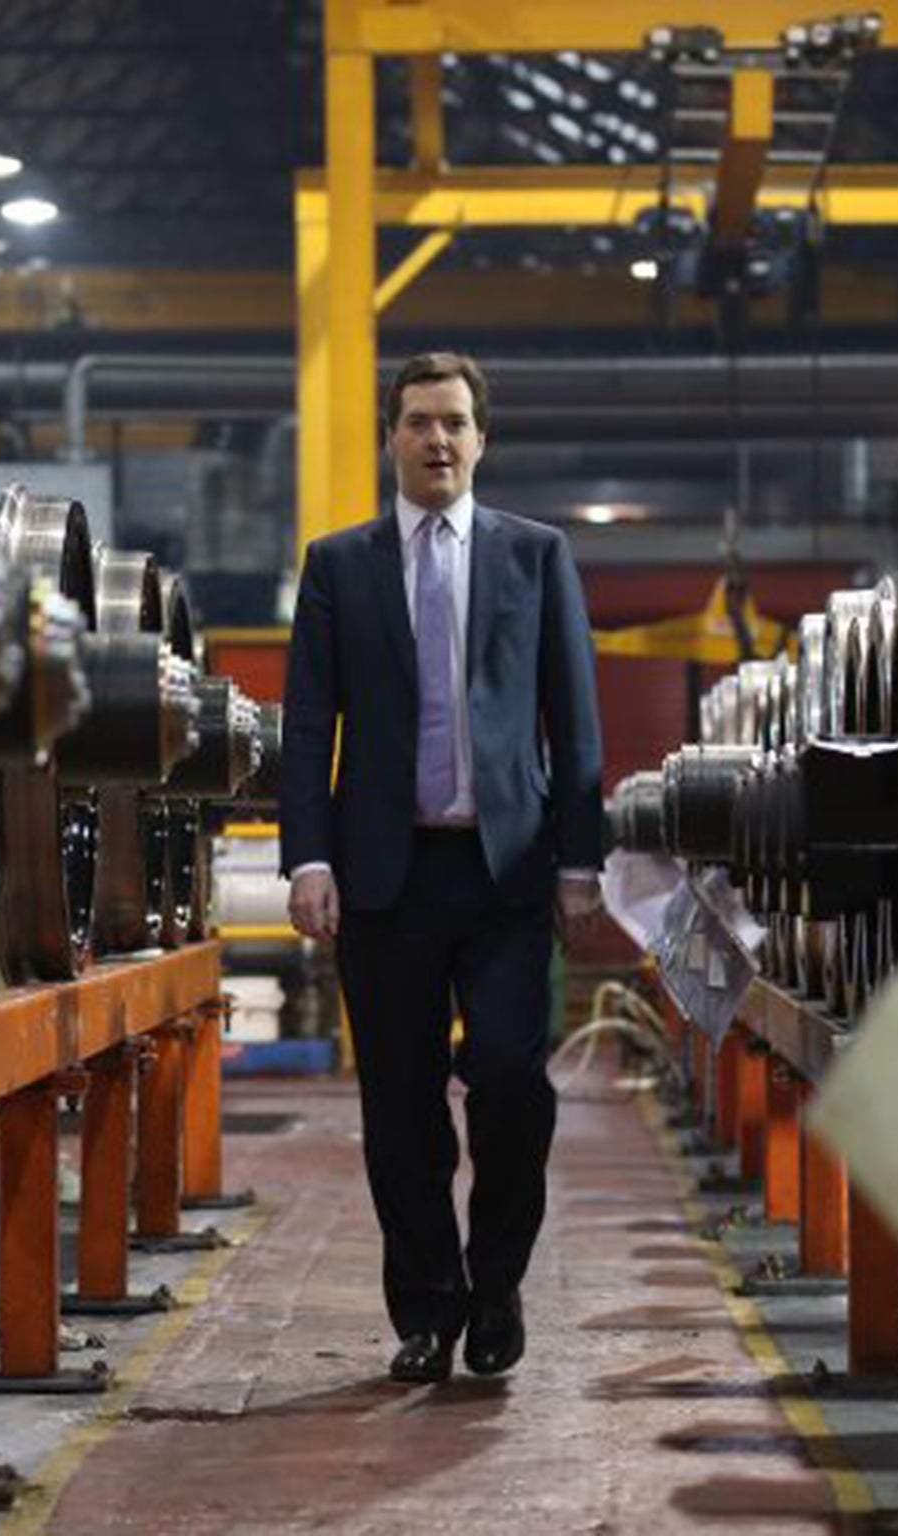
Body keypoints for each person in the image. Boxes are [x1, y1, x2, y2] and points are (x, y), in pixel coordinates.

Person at [280, 352, 604, 1384]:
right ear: (390, 435)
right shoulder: (338, 565)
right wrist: (308, 857)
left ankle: (495, 1281)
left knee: (510, 1079)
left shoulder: (532, 555)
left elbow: (575, 718)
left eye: (455, 423)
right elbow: (304, 726)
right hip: (385, 876)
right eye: (418, 421)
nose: (437, 440)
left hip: (504, 872)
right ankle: (424, 1310)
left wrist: (578, 858)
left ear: (480, 438)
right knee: (400, 1106)